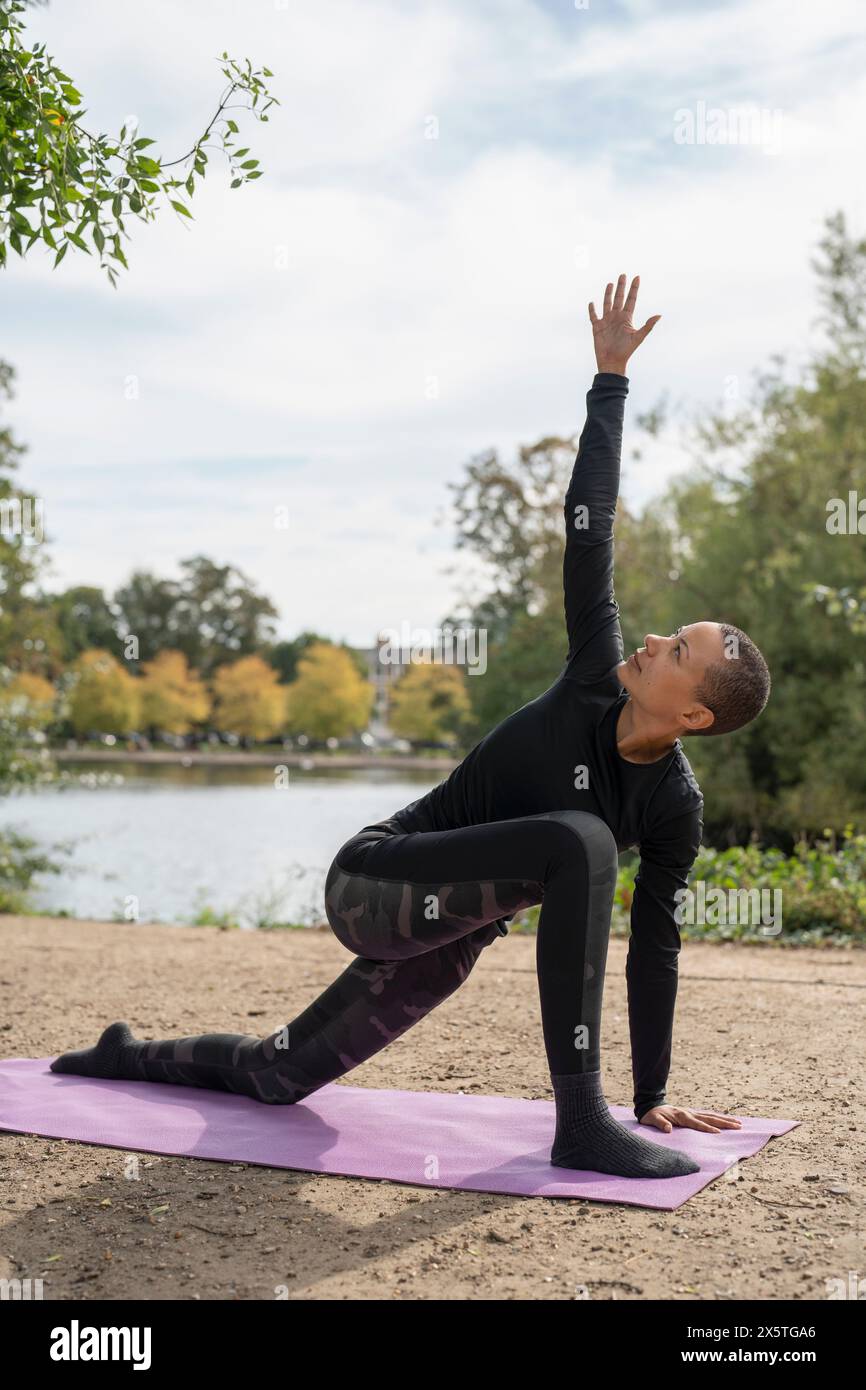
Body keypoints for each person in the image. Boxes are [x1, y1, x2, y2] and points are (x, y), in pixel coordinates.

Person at [51, 274, 771, 1180]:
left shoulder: (672, 806)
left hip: (443, 939)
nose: (657, 639)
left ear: (695, 715)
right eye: (669, 632)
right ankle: (578, 1123)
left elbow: (657, 939)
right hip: (374, 881)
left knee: (280, 1076)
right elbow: (589, 532)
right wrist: (609, 381)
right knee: (583, 840)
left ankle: (124, 1052)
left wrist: (654, 1093)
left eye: (678, 651)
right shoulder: (595, 669)